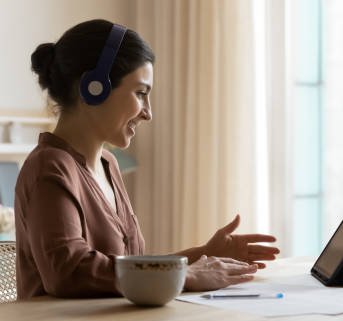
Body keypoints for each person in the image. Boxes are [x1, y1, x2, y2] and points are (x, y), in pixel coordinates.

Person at [15, 19, 280, 299]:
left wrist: (202, 255)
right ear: (93, 87)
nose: (148, 113)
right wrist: (185, 274)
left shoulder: (108, 164)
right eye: (141, 93)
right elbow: (68, 272)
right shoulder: (51, 167)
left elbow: (127, 269)